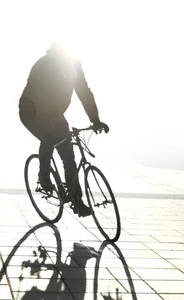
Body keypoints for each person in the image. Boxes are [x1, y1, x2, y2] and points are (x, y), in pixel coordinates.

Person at [19, 40, 109, 217]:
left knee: (69, 156)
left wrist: (95, 120)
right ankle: (44, 176)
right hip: (32, 111)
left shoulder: (74, 66)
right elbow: (42, 100)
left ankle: (77, 200)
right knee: (49, 138)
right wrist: (55, 127)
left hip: (55, 112)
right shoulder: (42, 67)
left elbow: (84, 92)